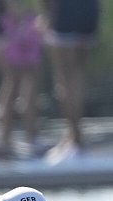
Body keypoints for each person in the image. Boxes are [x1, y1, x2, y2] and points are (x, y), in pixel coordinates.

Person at [0, 0, 42, 159]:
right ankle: (7, 140)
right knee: (13, 81)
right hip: (5, 20)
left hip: (15, 21)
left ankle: (23, 137)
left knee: (23, 82)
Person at [40, 0, 100, 164]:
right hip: (89, 12)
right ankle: (75, 136)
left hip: (63, 14)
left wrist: (47, 17)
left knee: (64, 78)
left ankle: (74, 138)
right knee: (78, 77)